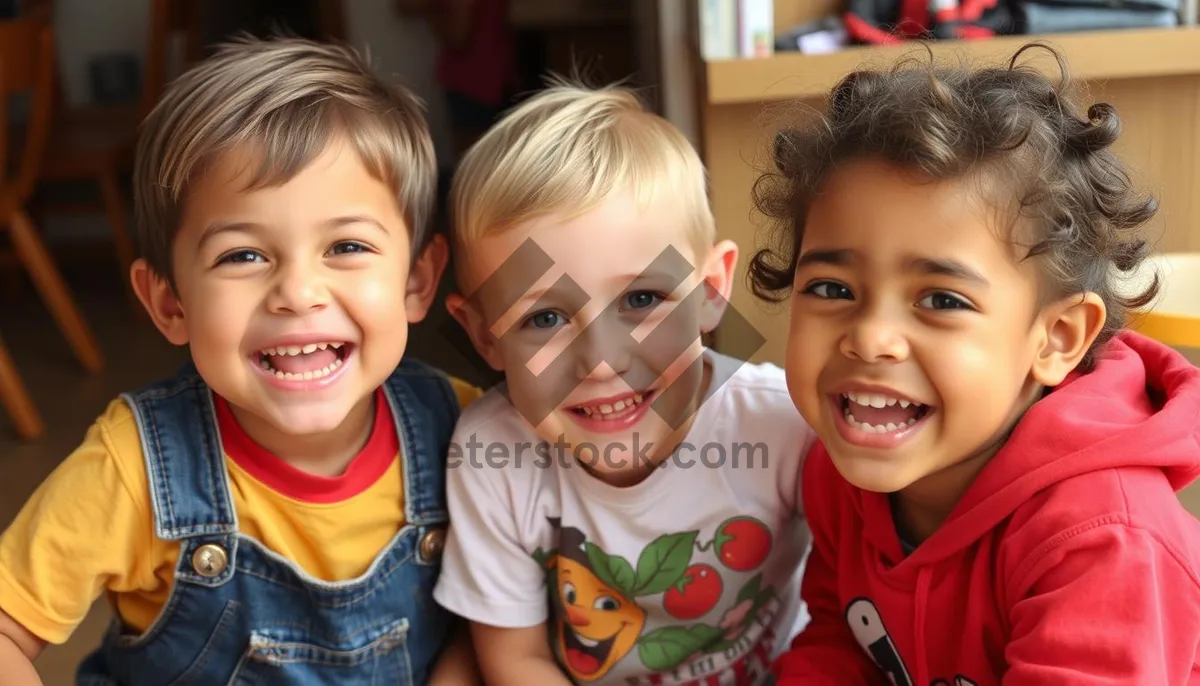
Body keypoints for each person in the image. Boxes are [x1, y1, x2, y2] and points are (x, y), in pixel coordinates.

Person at [0, 36, 483, 685]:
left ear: (417, 281)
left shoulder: (467, 430)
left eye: (345, 245)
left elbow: (509, 618)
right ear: (169, 304)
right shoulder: (136, 464)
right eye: (243, 256)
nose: (298, 293)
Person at [752, 43, 1200, 684]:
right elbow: (839, 645)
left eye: (940, 300)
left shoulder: (1105, 537)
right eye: (831, 289)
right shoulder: (840, 472)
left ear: (1056, 339)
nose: (871, 338)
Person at [429, 78, 818, 686]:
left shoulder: (783, 423)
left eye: (642, 298)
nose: (602, 361)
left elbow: (858, 606)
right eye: (546, 318)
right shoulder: (491, 456)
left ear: (712, 291)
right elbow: (517, 659)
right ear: (484, 336)